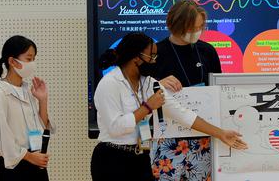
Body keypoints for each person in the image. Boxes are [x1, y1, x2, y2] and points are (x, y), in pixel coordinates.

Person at [91, 32, 247, 181]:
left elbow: (183, 114)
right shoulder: (110, 84)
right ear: (135, 58)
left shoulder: (149, 83)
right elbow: (116, 127)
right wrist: (147, 107)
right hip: (112, 159)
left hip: (140, 156)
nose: (155, 61)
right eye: (151, 56)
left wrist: (220, 133)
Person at [146, 0, 222, 181]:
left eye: (200, 27)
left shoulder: (207, 51)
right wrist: (157, 84)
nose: (197, 32)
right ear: (176, 25)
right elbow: (141, 96)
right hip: (167, 139)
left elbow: (219, 90)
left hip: (202, 137)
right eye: (192, 28)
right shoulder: (156, 54)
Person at [0, 35, 52, 181]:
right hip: (15, 167)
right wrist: (28, 156)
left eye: (34, 59)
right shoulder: (1, 93)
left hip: (36, 160)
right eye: (29, 59)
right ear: (12, 61)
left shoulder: (26, 89)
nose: (32, 63)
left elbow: (41, 127)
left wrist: (43, 100)